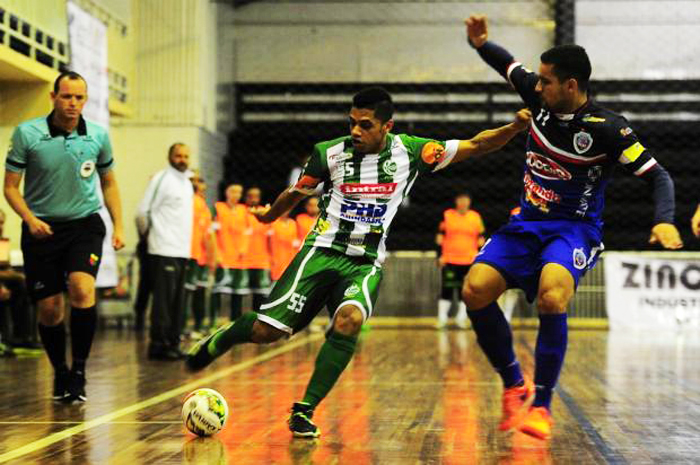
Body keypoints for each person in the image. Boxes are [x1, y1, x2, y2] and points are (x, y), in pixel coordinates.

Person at [187, 87, 531, 438]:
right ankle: (224, 338)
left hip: (365, 262)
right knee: (267, 332)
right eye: (352, 122)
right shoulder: (329, 154)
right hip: (321, 253)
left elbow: (476, 145)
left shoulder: (412, 152)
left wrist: (515, 128)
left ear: (387, 126)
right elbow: (296, 193)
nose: (355, 131)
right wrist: (269, 217)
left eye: (365, 125)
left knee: (349, 320)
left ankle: (304, 410)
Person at [461, 15, 683, 440]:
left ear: (571, 85)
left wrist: (664, 222)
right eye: (538, 80)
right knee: (474, 289)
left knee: (551, 295)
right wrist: (481, 45)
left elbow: (659, 176)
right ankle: (513, 385)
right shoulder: (538, 97)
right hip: (526, 223)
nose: (537, 85)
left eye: (546, 81)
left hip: (574, 229)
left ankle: (541, 406)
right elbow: (507, 65)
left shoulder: (609, 129)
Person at [3, 71, 125, 402]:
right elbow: (10, 187)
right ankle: (60, 371)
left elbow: (109, 182)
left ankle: (80, 371)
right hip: (41, 229)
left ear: (85, 100)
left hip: (84, 225)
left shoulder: (97, 136)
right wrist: (29, 219)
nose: (73, 104)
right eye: (67, 96)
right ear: (53, 97)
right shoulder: (28, 134)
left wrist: (119, 225)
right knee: (50, 309)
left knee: (82, 289)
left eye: (79, 98)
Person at [136, 143, 194, 360]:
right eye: (178, 155)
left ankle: (173, 342)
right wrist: (148, 237)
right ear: (169, 157)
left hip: (181, 250)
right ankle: (158, 344)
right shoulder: (162, 179)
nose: (182, 159)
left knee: (177, 302)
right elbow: (142, 212)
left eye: (186, 156)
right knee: (163, 301)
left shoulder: (186, 183)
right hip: (162, 249)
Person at [435, 191, 485, 329]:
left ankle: (461, 318)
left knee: (466, 291)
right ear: (456, 201)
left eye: (466, 199)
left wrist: (480, 257)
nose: (463, 202)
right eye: (460, 199)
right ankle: (442, 319)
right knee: (447, 289)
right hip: (450, 259)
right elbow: (439, 237)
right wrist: (439, 256)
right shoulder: (447, 215)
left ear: (469, 202)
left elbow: (481, 238)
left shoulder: (476, 217)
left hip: (469, 260)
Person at [210, 183, 250, 325]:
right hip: (223, 258)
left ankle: (235, 323)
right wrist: (216, 254)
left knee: (237, 292)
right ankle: (213, 322)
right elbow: (212, 233)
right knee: (218, 291)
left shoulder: (243, 210)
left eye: (239, 192)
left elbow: (247, 232)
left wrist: (244, 248)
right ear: (226, 192)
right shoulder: (218, 208)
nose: (236, 195)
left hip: (239, 259)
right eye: (233, 191)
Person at [184, 173, 216, 337]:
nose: (201, 184)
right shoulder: (191, 202)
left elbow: (208, 235)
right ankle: (182, 328)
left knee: (200, 292)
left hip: (201, 256)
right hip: (192, 254)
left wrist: (211, 258)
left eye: (201, 180)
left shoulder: (202, 204)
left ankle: (198, 326)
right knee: (187, 292)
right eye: (197, 181)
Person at [241, 187, 272, 311]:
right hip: (242, 261)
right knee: (239, 294)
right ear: (245, 197)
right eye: (250, 196)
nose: (253, 199)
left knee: (260, 294)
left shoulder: (265, 213)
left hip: (261, 260)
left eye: (256, 196)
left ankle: (255, 322)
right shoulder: (240, 211)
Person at [270, 211, 300, 282]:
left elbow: (295, 238)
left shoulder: (293, 223)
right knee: (277, 279)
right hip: (277, 255)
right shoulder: (273, 223)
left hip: (290, 255)